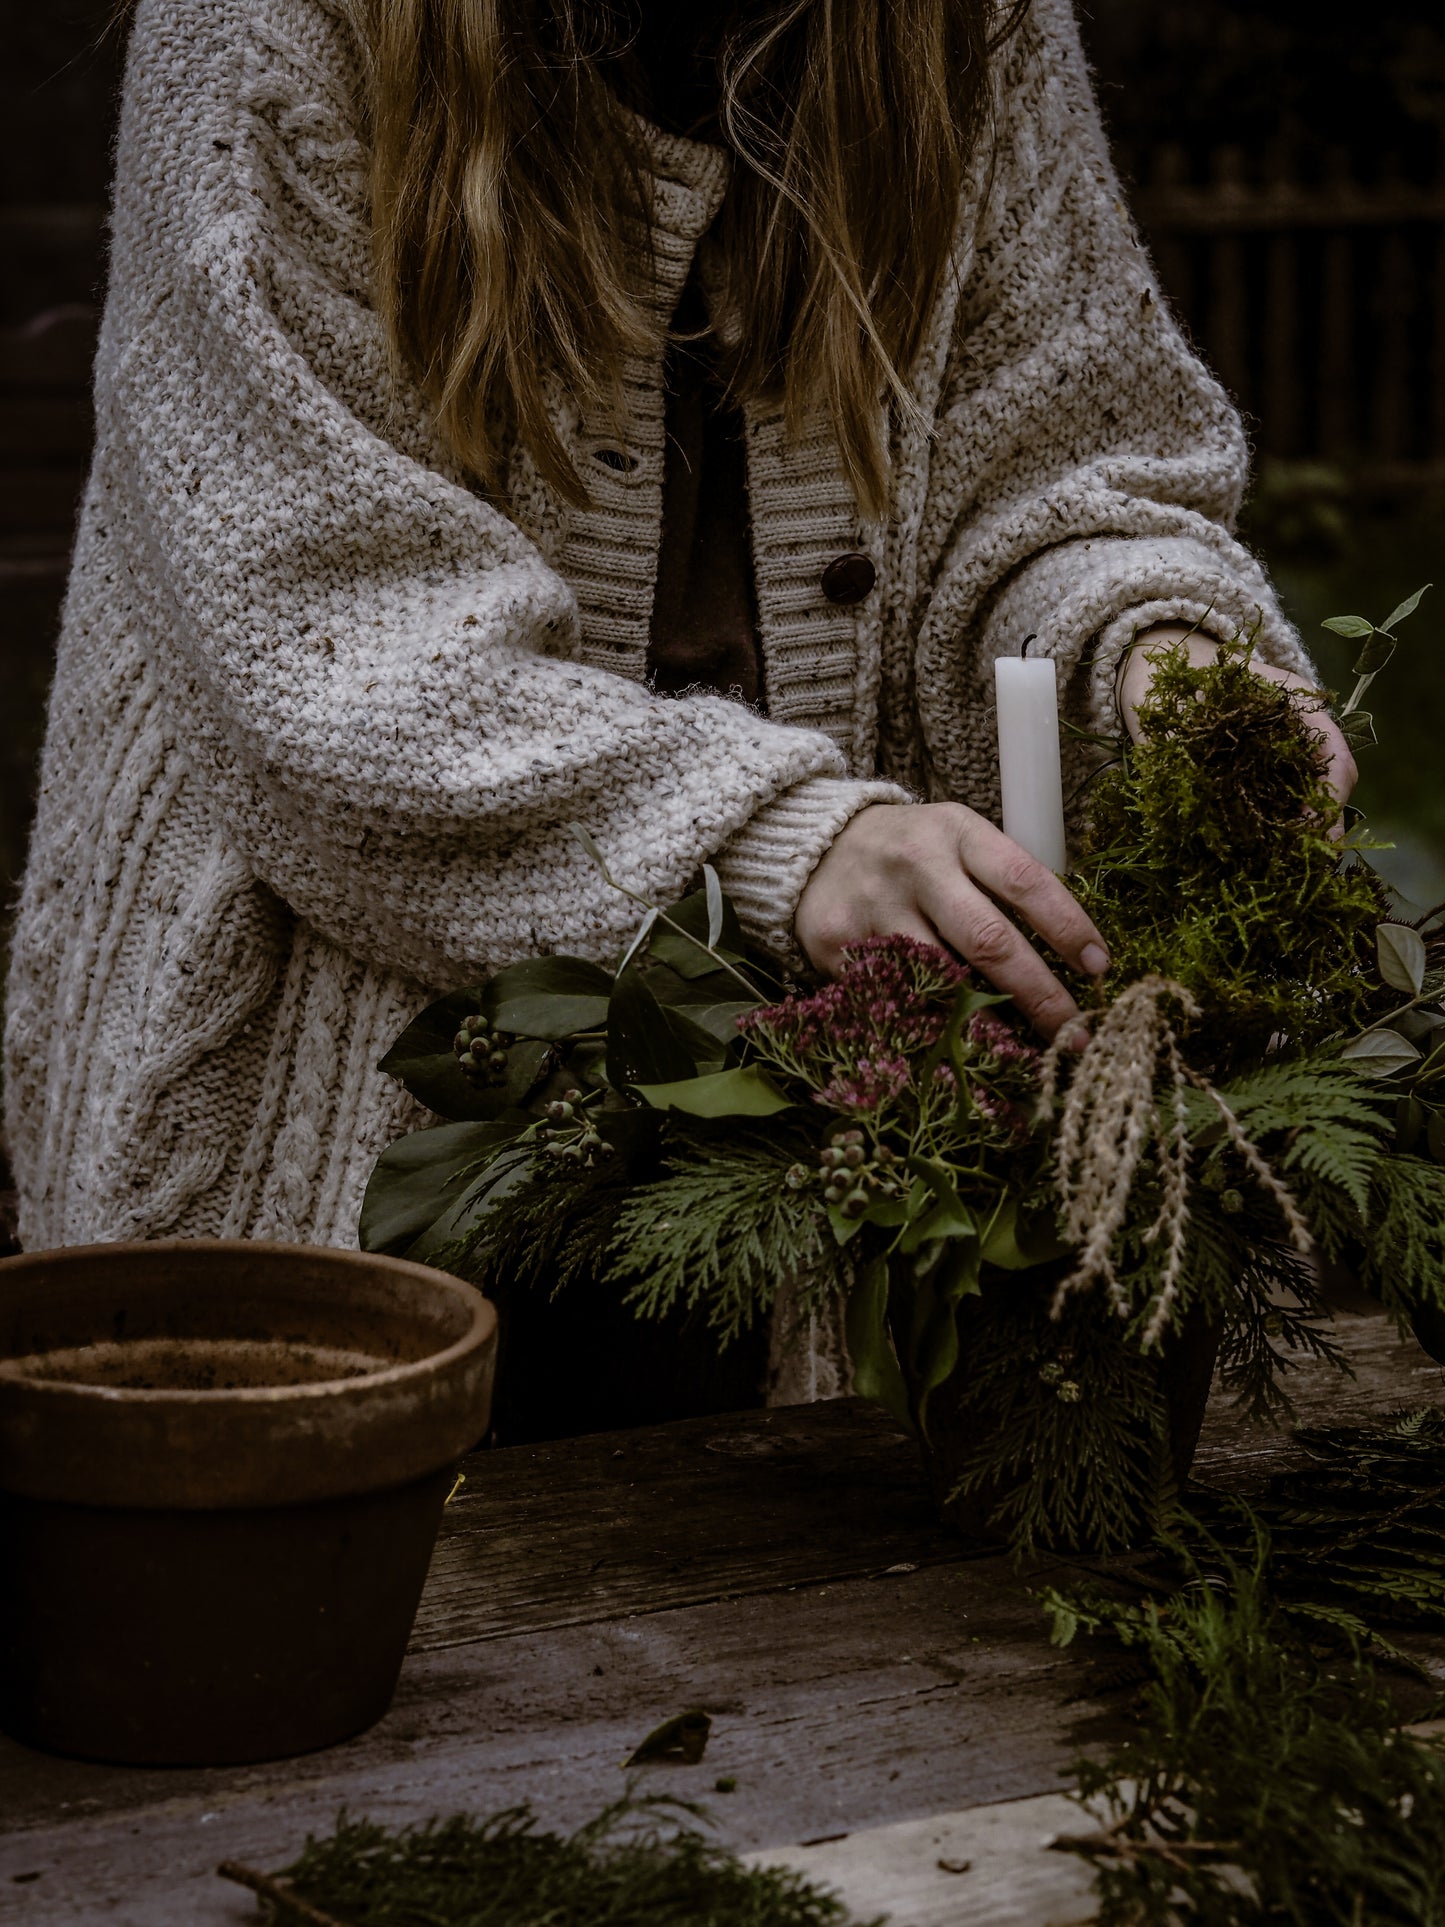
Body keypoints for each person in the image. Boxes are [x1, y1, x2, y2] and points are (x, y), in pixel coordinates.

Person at [5, 0, 1352, 1292]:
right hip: (331, 1116)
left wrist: (1158, 653)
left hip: (818, 1144)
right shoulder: (266, 19)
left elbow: (1054, 466)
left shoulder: (968, 16)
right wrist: (778, 841)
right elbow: (318, 625)